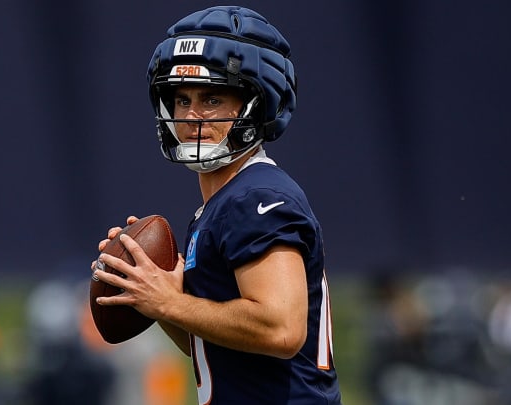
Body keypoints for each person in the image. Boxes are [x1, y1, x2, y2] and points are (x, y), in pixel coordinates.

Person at [92, 5, 342, 404]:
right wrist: (154, 296)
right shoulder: (221, 205)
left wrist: (172, 301)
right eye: (181, 99)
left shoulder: (256, 197)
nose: (191, 116)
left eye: (212, 99)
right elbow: (217, 351)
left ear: (257, 104)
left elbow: (281, 330)